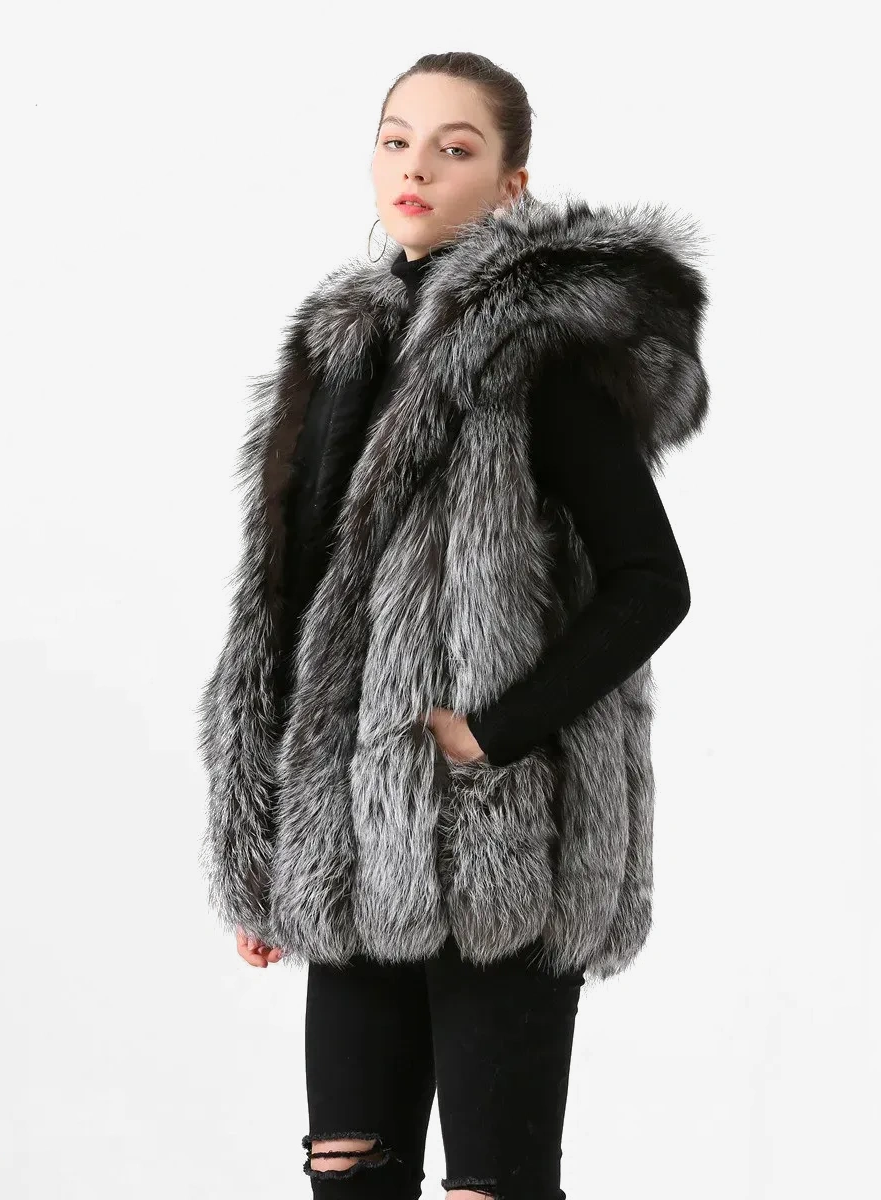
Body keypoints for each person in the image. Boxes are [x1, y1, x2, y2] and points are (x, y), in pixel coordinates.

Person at [197, 51, 710, 1200]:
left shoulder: (541, 357)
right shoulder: (338, 353)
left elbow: (653, 583)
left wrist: (493, 734)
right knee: (347, 1170)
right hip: (352, 846)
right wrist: (264, 844)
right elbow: (284, 611)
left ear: (513, 184)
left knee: (495, 1185)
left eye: (455, 146)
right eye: (396, 140)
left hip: (500, 843)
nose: (416, 167)